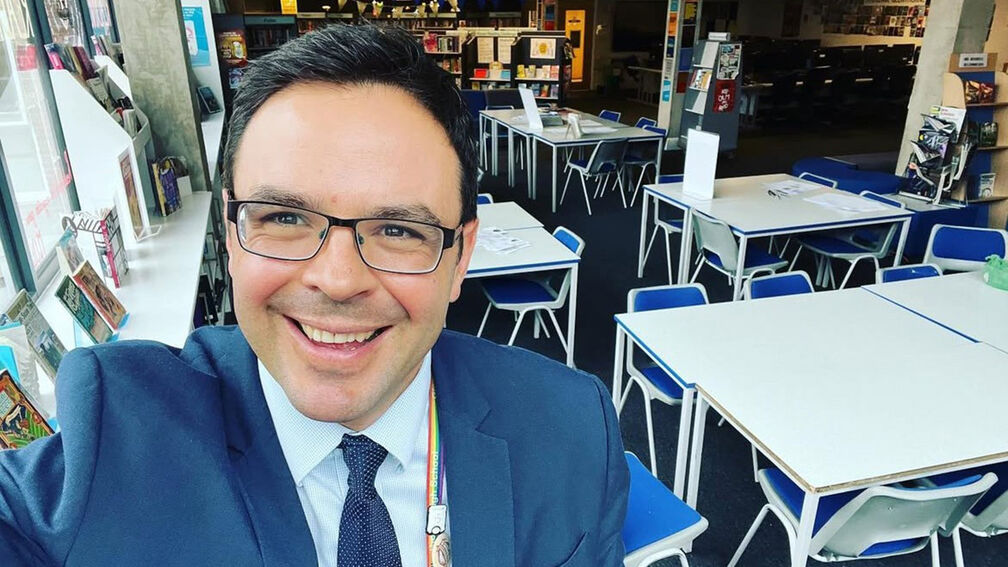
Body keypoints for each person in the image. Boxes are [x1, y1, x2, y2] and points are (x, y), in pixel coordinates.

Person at [0, 24, 628, 566]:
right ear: (231, 234)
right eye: (285, 218)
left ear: (460, 256)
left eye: (398, 230)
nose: (338, 280)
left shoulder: (572, 430)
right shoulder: (113, 444)